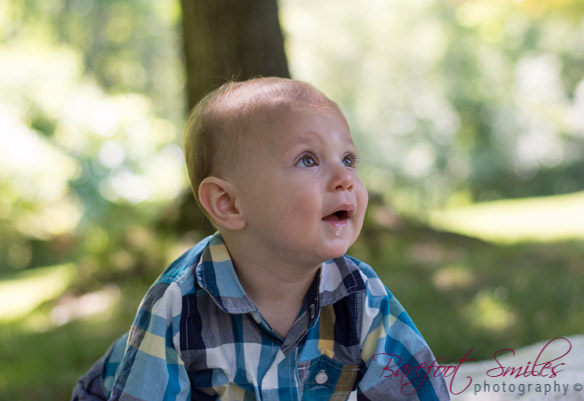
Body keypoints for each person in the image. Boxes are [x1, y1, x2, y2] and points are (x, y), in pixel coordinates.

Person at [72, 77, 450, 401]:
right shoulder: (178, 304)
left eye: (348, 159)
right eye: (308, 159)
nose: (345, 179)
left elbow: (421, 390)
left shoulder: (360, 295)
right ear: (228, 204)